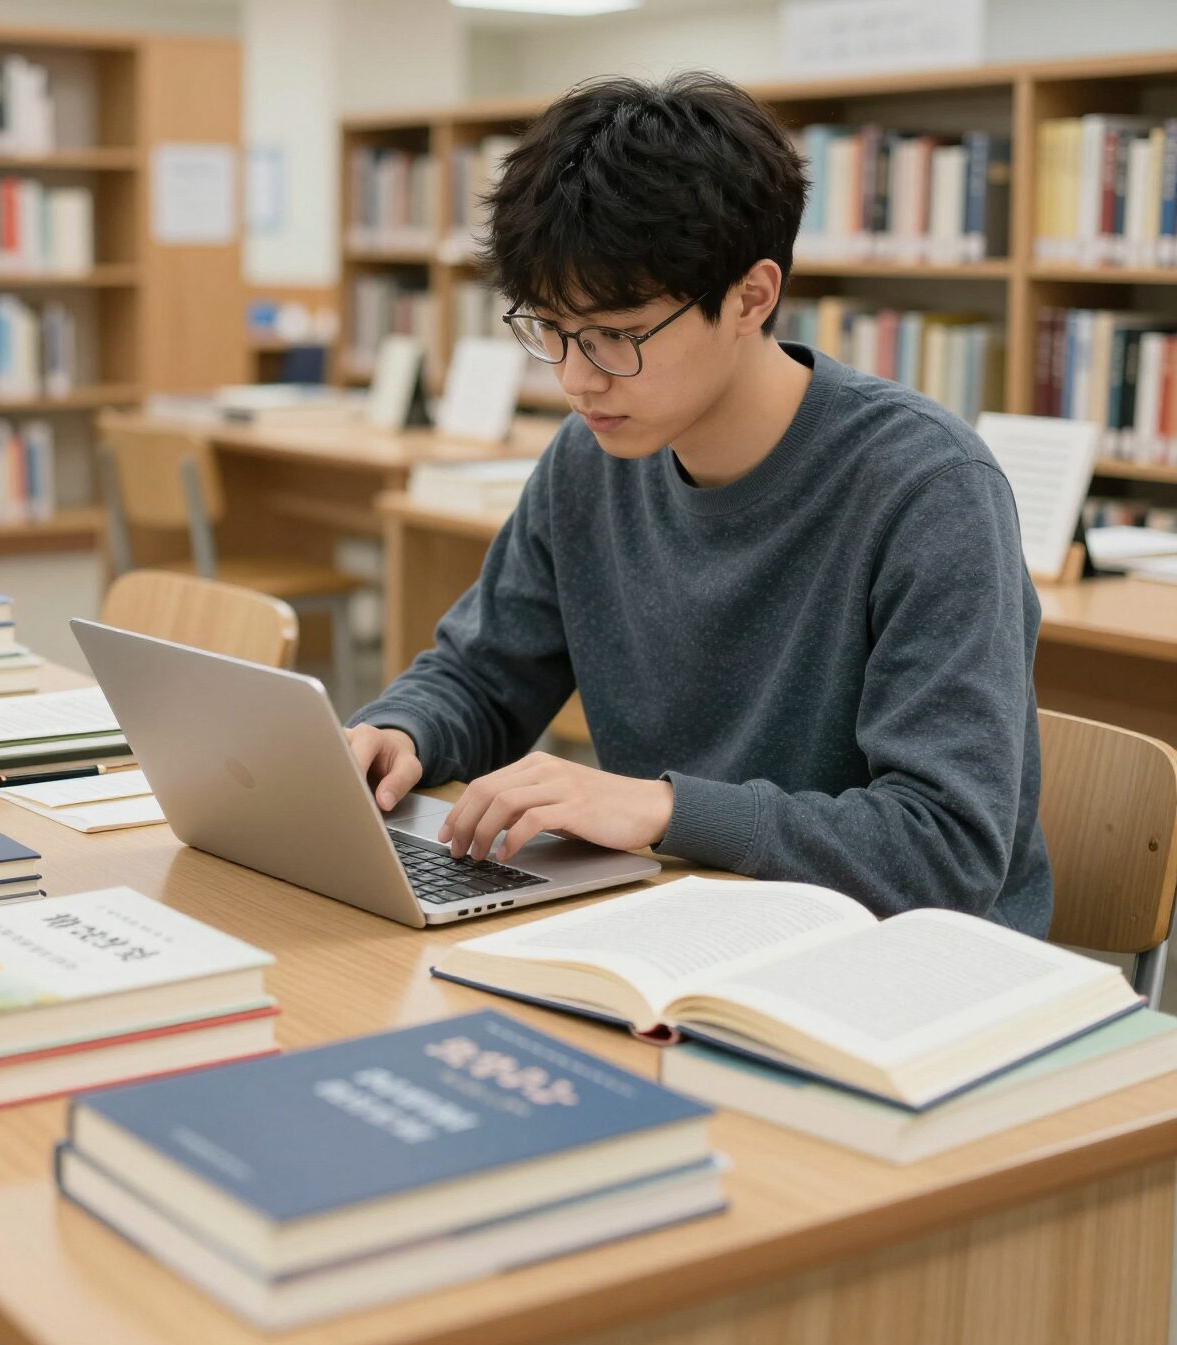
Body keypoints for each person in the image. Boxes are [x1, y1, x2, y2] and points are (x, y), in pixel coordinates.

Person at [346, 72, 1051, 935]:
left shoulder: (928, 490)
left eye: (615, 336)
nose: (574, 378)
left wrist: (663, 812)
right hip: (685, 922)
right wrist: (402, 732)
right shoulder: (593, 456)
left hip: (902, 970)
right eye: (550, 331)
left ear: (752, 296)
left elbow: (942, 851)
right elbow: (485, 675)